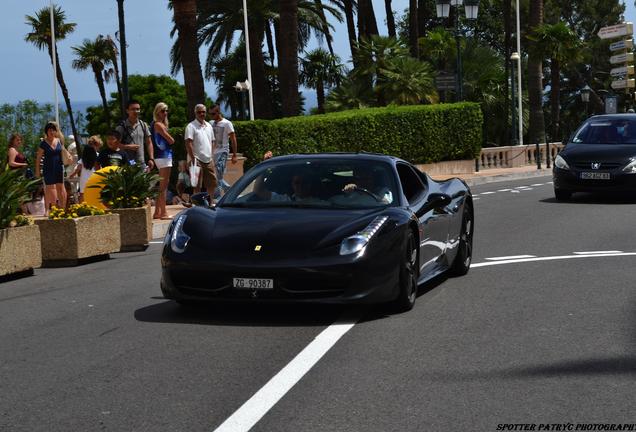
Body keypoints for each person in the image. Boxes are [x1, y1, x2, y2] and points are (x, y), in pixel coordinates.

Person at [184, 104, 217, 195]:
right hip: (196, 159)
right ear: (195, 113)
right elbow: (188, 143)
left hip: (208, 159)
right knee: (197, 184)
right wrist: (193, 158)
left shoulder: (209, 126)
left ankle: (210, 203)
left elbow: (213, 141)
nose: (201, 114)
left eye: (203, 112)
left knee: (211, 183)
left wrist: (212, 155)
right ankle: (197, 205)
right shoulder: (190, 126)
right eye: (199, 112)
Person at [35, 122, 67, 213]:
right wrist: (37, 171)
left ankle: (62, 209)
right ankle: (47, 209)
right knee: (48, 189)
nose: (51, 132)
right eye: (49, 130)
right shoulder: (43, 143)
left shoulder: (59, 141)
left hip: (58, 167)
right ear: (46, 132)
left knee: (60, 188)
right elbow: (38, 159)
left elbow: (63, 152)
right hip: (48, 168)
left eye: (53, 130)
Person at [151, 102, 175, 220]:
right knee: (163, 186)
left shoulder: (156, 124)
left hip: (161, 156)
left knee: (162, 185)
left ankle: (157, 212)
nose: (165, 113)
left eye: (166, 111)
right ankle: (164, 213)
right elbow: (171, 140)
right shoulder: (159, 125)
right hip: (164, 156)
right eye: (162, 111)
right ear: (157, 112)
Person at [116, 99, 155, 171]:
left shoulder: (143, 125)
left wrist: (151, 158)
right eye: (133, 109)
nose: (136, 111)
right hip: (127, 164)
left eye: (138, 109)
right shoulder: (121, 127)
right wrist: (128, 147)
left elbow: (149, 143)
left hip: (142, 164)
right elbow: (115, 145)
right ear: (127, 111)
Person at [209, 104, 238, 198]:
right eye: (210, 114)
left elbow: (233, 139)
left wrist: (234, 154)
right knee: (215, 177)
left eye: (213, 114)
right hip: (213, 153)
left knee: (217, 176)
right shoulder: (210, 123)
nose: (211, 116)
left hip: (222, 152)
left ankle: (224, 194)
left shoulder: (227, 123)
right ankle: (228, 192)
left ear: (218, 112)